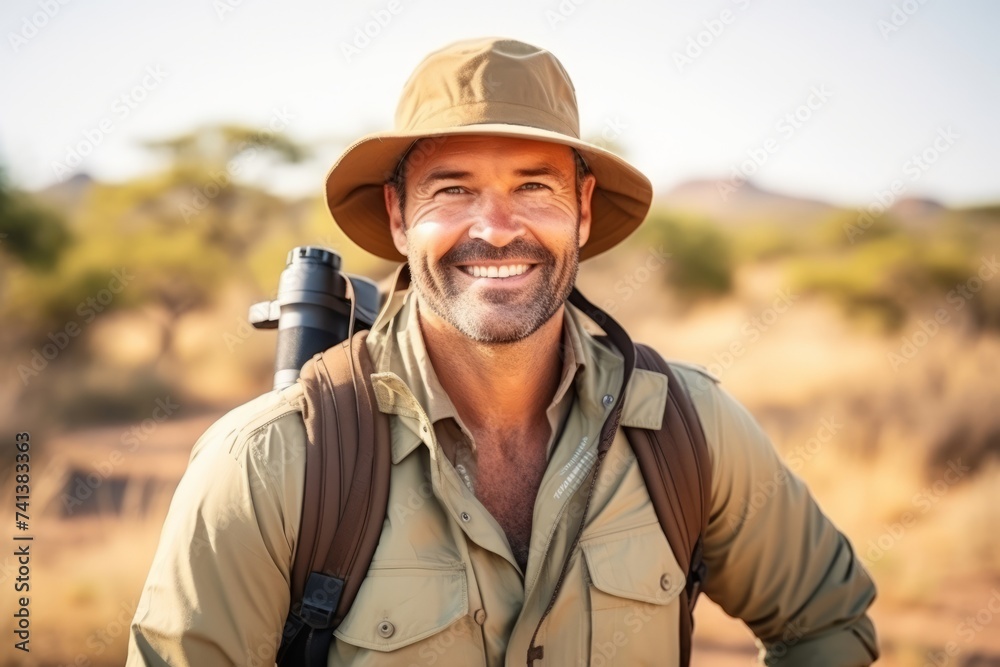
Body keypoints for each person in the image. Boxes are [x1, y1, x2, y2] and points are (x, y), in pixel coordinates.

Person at [127, 37, 878, 666]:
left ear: (582, 210)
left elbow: (828, 622)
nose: (495, 227)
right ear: (397, 215)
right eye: (451, 189)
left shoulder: (688, 428)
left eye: (534, 187)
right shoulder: (271, 462)